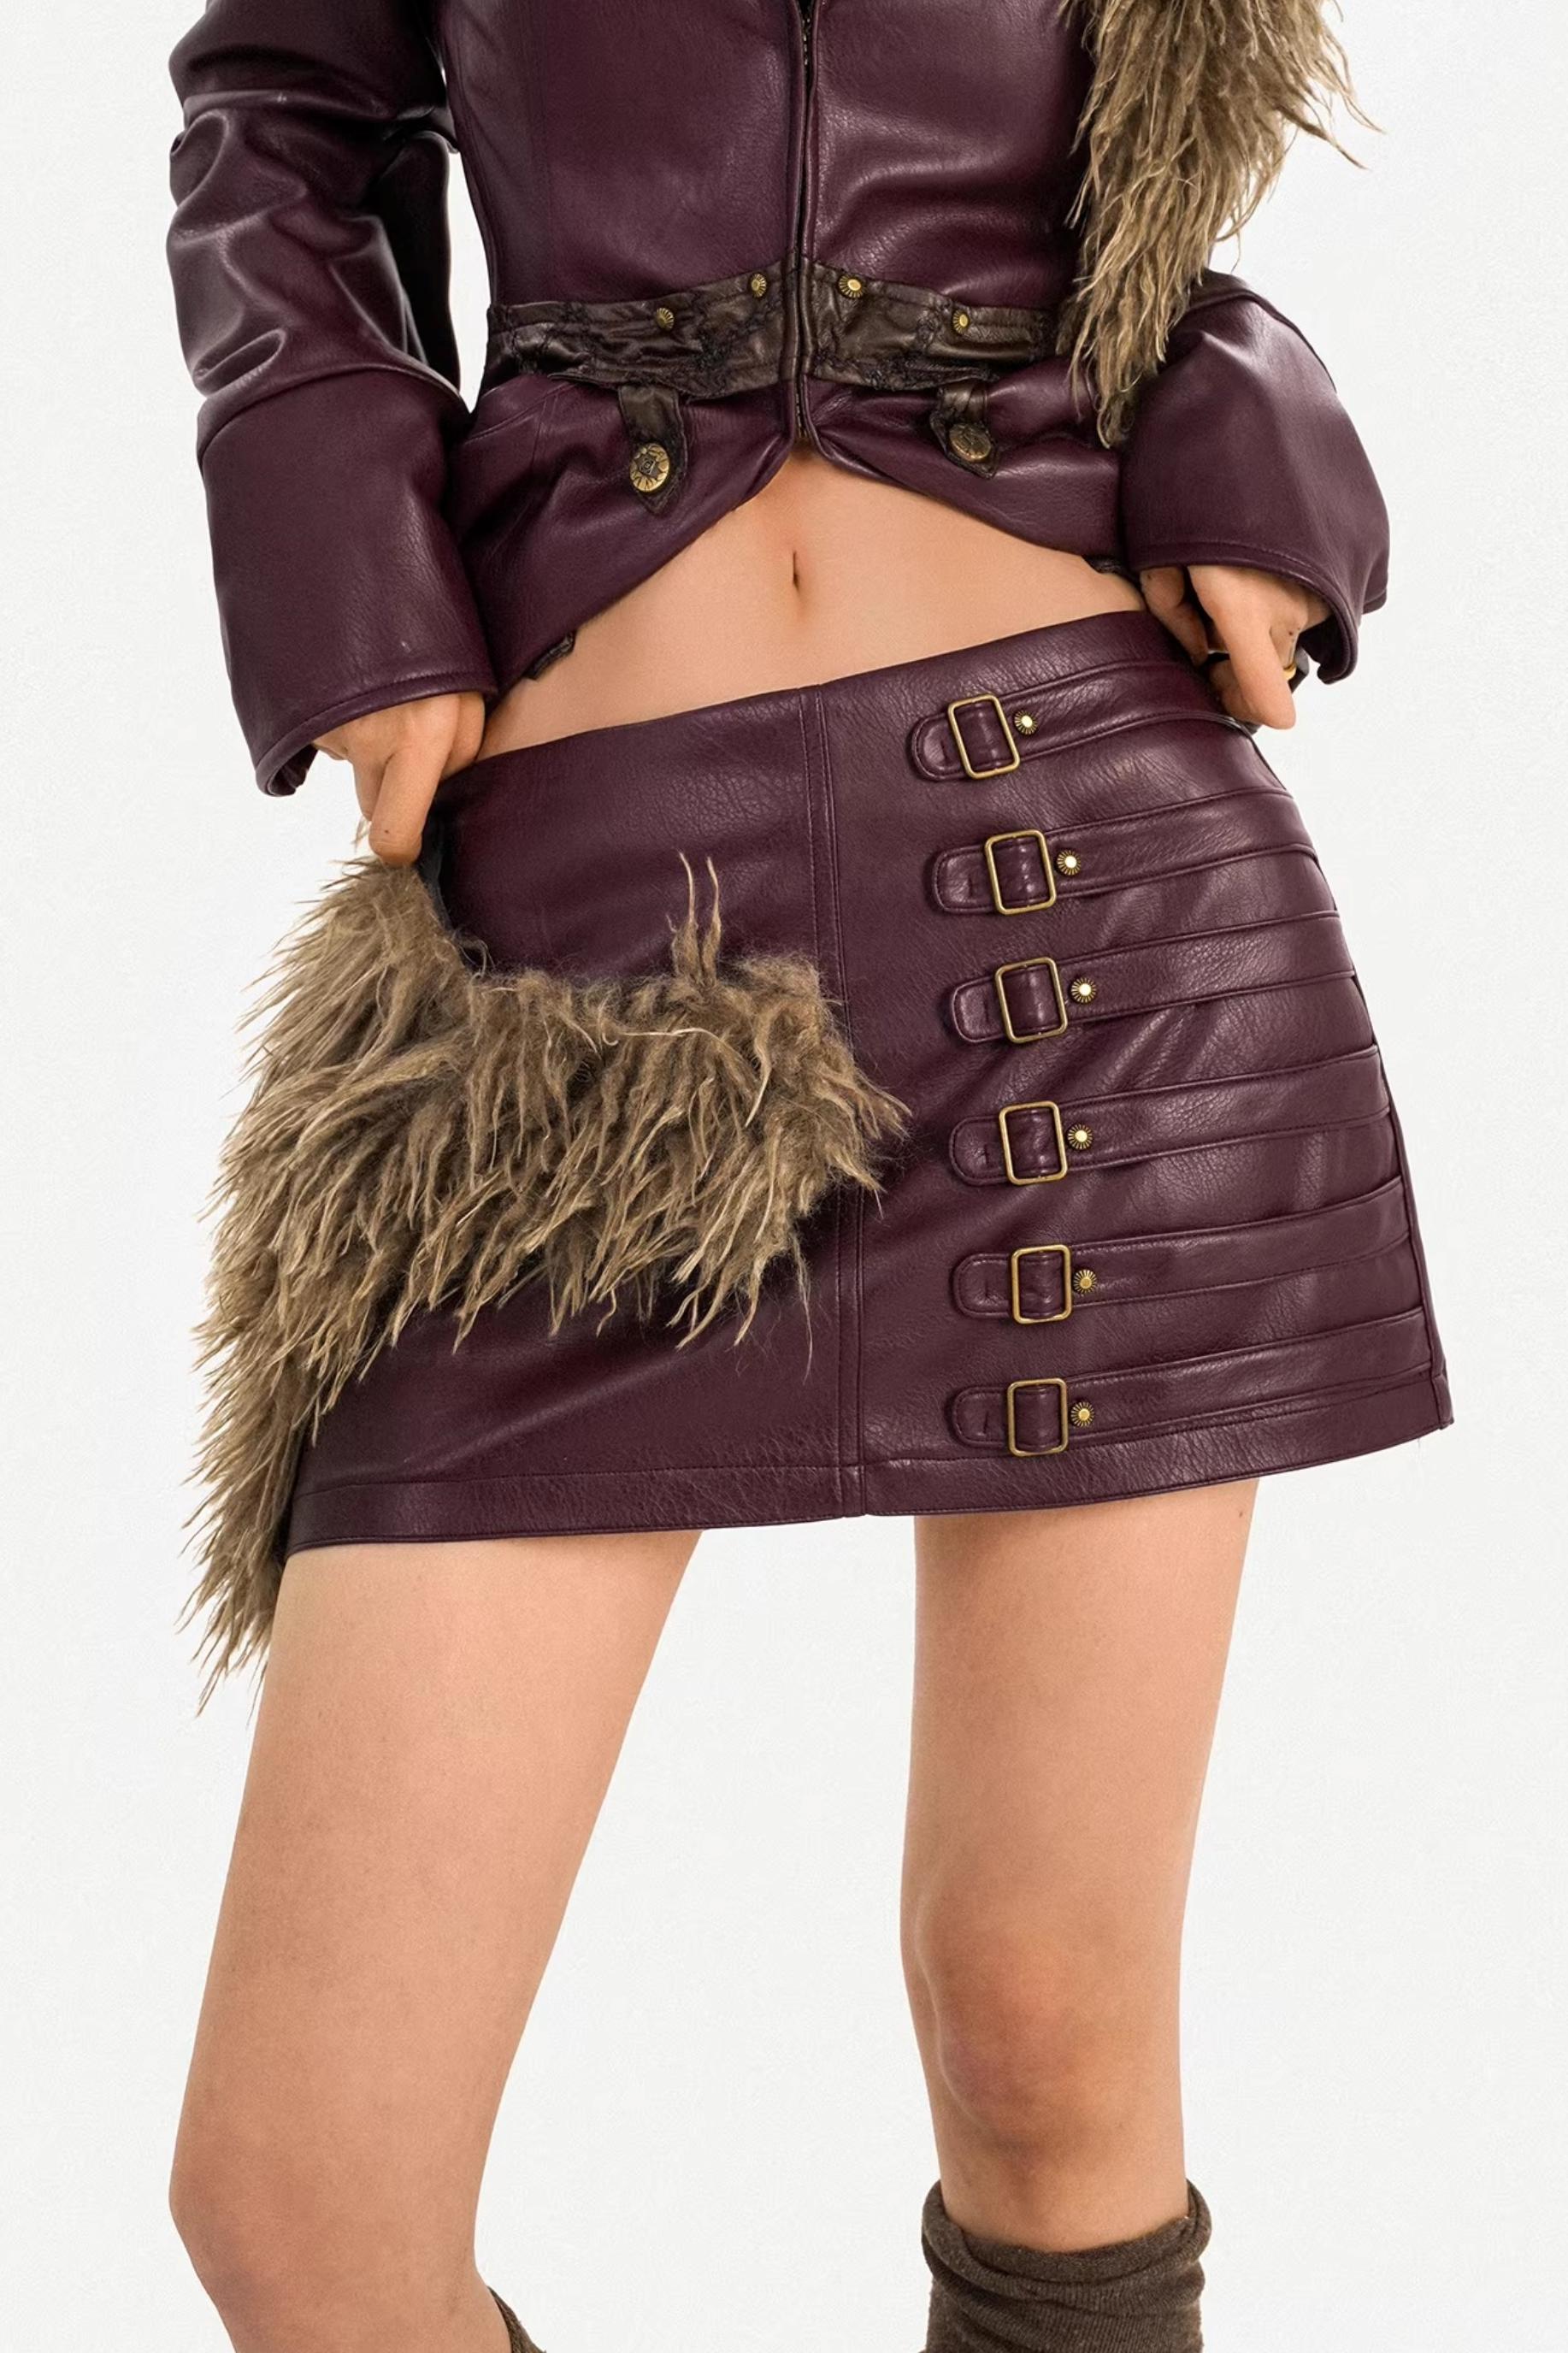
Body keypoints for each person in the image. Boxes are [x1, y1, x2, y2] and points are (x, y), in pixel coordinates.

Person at [160, 4, 1453, 2348]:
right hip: (586, 967)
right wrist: (351, 568)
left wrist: (1238, 431)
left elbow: (1159, 188)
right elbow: (282, 120)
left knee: (1042, 2028)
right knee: (298, 2198)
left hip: (1089, 887)